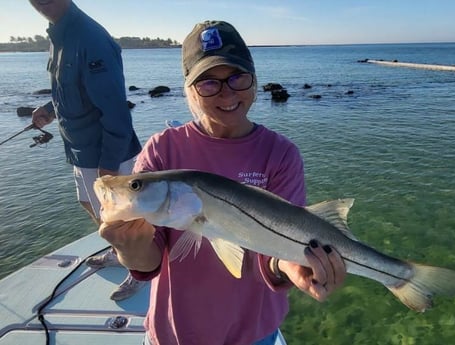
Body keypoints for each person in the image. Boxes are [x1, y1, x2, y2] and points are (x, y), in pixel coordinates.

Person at [99, 20, 346, 344]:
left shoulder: (281, 154)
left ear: (254, 80)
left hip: (254, 332)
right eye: (208, 83)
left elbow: (278, 244)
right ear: (189, 89)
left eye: (237, 76)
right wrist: (129, 250)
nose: (227, 91)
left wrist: (292, 266)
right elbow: (150, 260)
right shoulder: (162, 149)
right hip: (175, 332)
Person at [29, 0, 145, 301]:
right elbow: (70, 91)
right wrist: (49, 110)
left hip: (108, 154)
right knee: (90, 205)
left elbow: (116, 111)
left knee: (123, 221)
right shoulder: (58, 36)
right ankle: (118, 252)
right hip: (79, 151)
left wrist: (108, 167)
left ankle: (139, 271)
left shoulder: (90, 38)